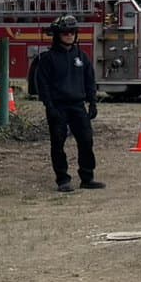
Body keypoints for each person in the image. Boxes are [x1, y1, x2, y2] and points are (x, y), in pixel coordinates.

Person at [28, 14, 101, 193]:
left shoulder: (82, 57)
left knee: (86, 141)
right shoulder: (47, 58)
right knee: (58, 143)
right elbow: (42, 84)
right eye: (65, 32)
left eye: (72, 32)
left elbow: (89, 80)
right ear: (57, 35)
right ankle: (62, 179)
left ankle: (87, 177)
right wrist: (49, 106)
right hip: (58, 106)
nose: (69, 35)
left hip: (78, 105)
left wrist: (92, 102)